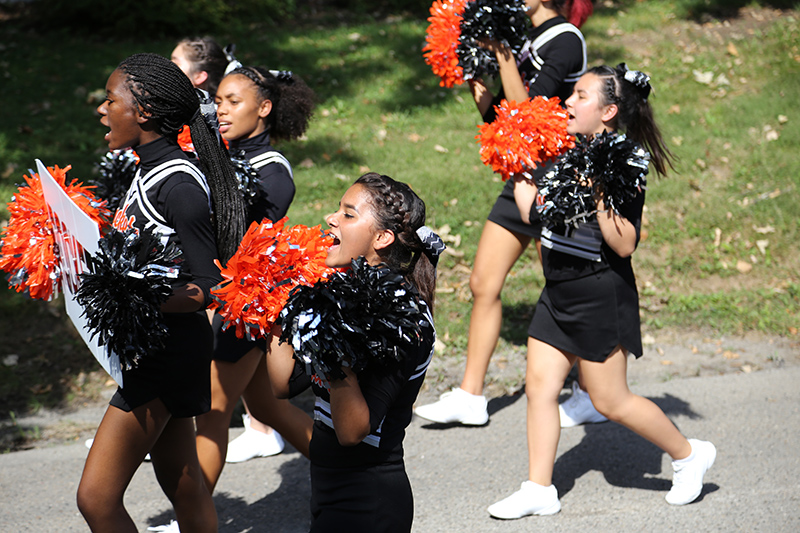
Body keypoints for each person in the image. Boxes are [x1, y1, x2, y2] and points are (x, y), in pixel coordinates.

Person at [486, 64, 716, 519]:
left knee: (609, 400)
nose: (568, 102)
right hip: (558, 290)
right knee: (540, 389)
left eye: (581, 97)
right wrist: (522, 169)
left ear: (608, 111)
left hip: (599, 290)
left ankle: (690, 454)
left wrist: (596, 194)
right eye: (571, 95)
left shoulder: (623, 161)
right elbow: (535, 216)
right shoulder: (561, 148)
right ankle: (538, 487)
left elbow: (625, 242)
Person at [415, 0, 605, 428]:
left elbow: (529, 111)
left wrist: (500, 50)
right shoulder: (524, 39)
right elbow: (501, 116)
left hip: (558, 181)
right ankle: (470, 395)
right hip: (523, 174)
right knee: (483, 282)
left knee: (565, 287)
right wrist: (463, 67)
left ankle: (594, 393)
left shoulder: (565, 40)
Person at [77, 53, 246, 532]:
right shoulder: (148, 170)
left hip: (168, 352)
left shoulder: (178, 182)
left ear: (144, 110)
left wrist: (135, 296)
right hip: (156, 346)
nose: (102, 110)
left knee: (95, 499)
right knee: (186, 486)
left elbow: (210, 287)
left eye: (111, 100)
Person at [266, 173, 441, 532]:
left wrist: (332, 344)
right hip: (327, 488)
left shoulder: (404, 319)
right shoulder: (339, 292)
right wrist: (272, 302)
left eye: (348, 214)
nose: (331, 219)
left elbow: (352, 430)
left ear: (382, 238)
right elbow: (284, 384)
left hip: (369, 501)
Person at [193, 65, 317, 493]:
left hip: (251, 302)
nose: (221, 110)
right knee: (270, 406)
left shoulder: (271, 169)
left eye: (233, 102)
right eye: (218, 101)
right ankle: (355, 473)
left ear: (263, 108)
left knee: (213, 409)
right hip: (236, 299)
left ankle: (191, 516)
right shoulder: (229, 158)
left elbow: (244, 238)